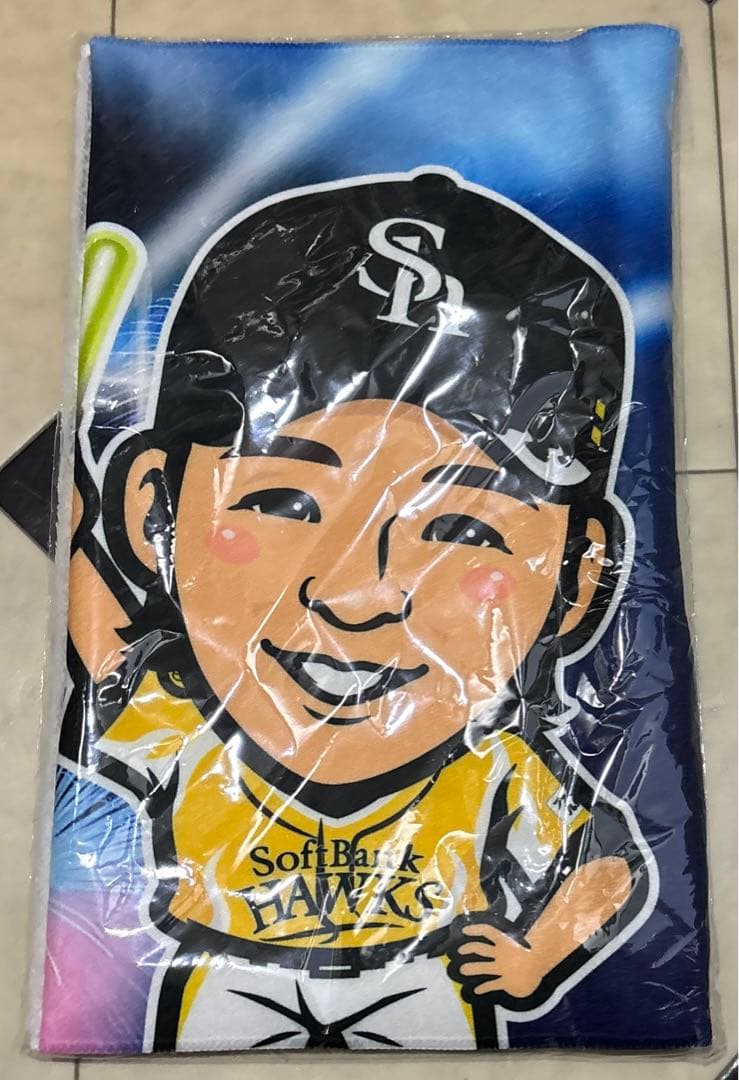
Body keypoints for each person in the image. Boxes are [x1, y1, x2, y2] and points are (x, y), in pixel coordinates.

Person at [63, 168, 656, 1052]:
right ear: (154, 516)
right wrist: (70, 511)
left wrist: (536, 957)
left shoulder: (499, 764)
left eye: (461, 528)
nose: (356, 594)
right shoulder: (185, 721)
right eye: (283, 502)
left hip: (427, 980)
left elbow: (605, 864)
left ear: (576, 575)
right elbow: (105, 640)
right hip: (227, 972)